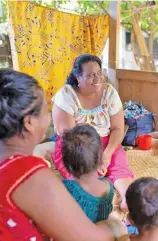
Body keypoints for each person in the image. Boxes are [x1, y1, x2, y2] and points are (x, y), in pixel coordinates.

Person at [0, 69, 124, 241]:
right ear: (29, 123)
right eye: (46, 110)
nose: (50, 116)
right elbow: (88, 238)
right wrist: (116, 227)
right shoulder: (27, 173)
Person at [51, 54, 134, 212]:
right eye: (90, 75)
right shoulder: (67, 96)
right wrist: (92, 163)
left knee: (118, 163)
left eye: (98, 73)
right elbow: (69, 139)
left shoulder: (109, 93)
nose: (97, 79)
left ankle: (127, 198)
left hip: (104, 141)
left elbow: (118, 129)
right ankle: (90, 203)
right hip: (77, 146)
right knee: (83, 174)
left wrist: (106, 155)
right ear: (78, 77)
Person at [61, 123, 114, 222]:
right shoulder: (108, 187)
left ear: (66, 164)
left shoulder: (65, 188)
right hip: (100, 233)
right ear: (100, 158)